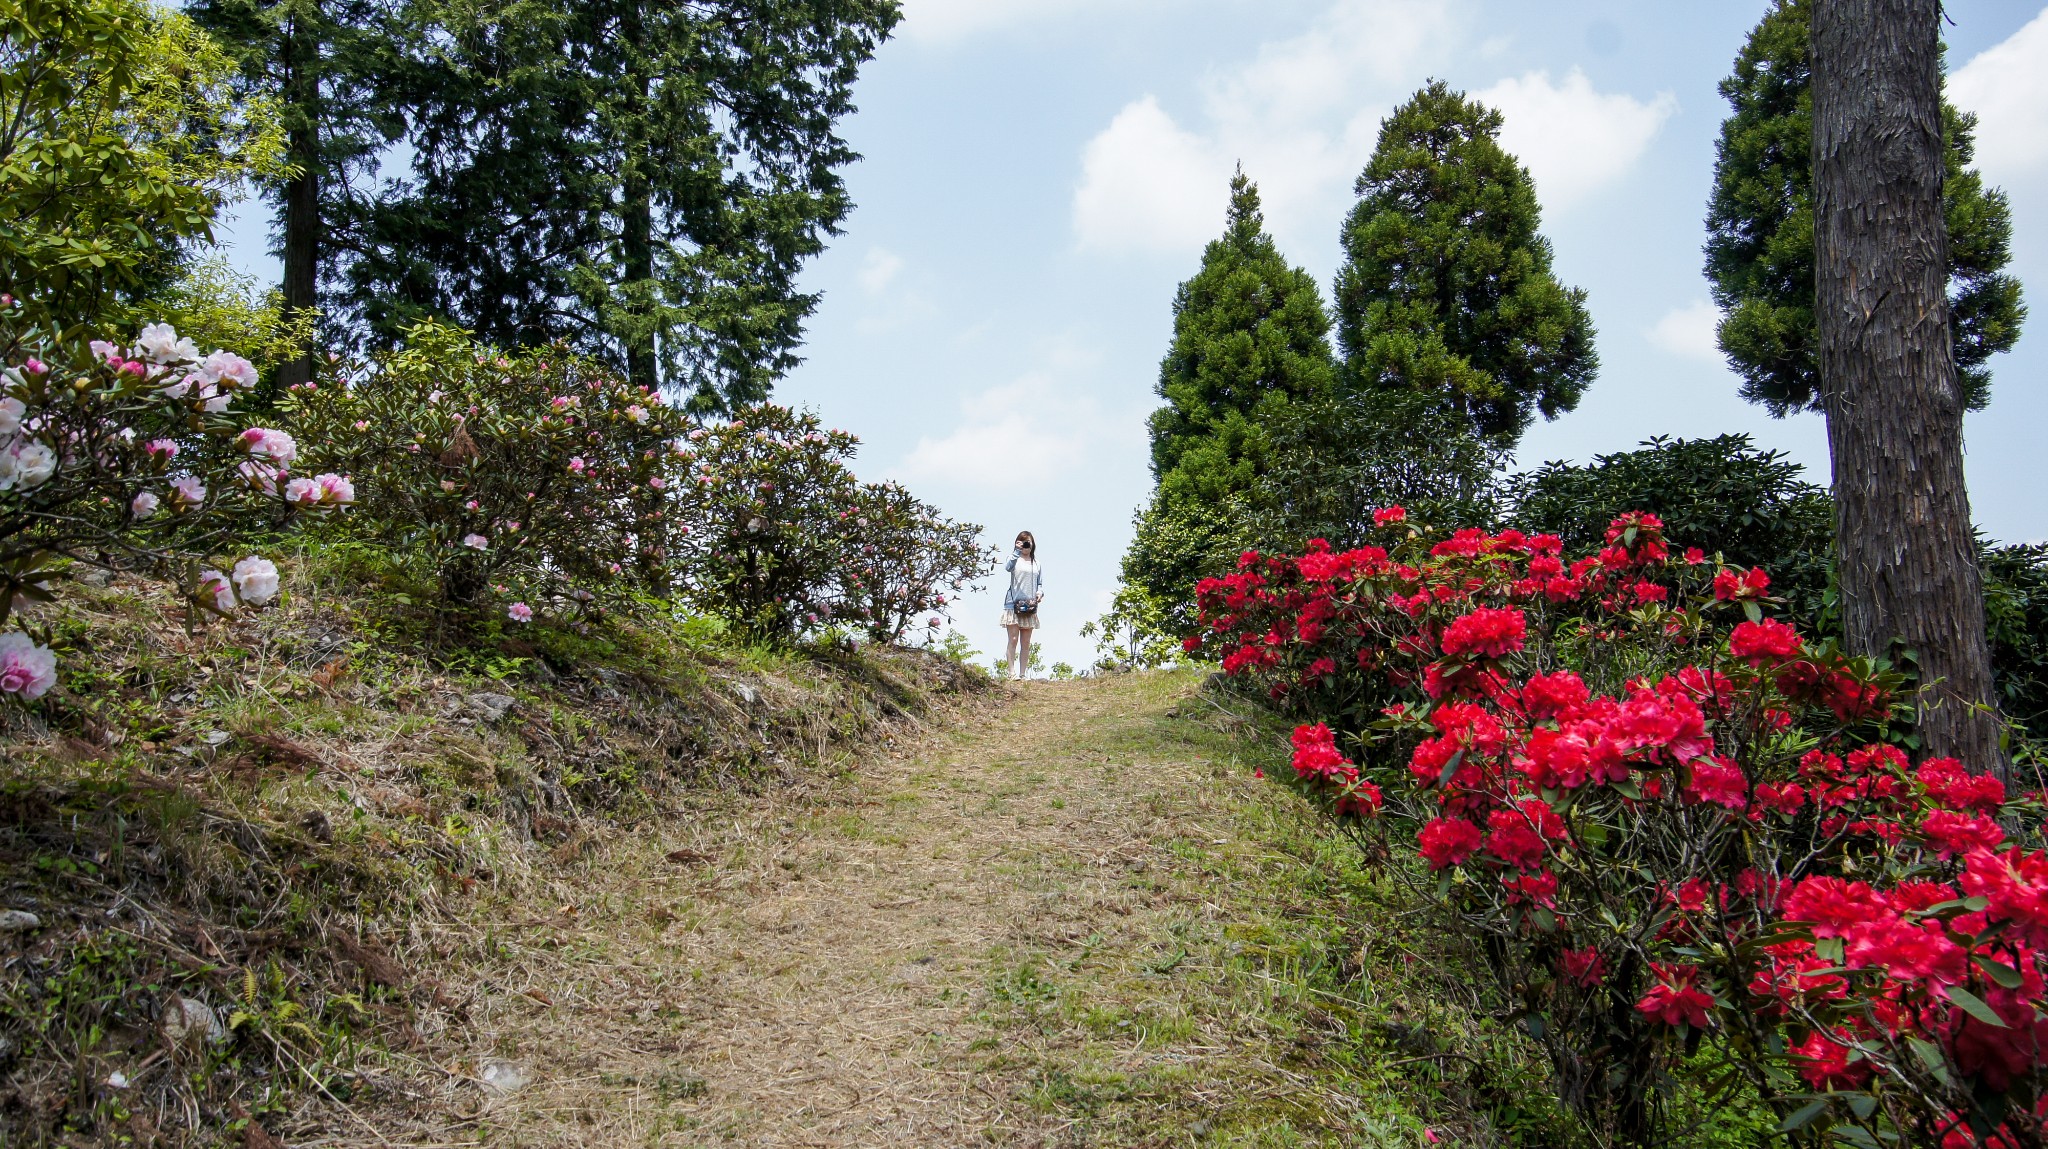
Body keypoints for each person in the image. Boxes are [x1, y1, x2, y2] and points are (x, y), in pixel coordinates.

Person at [1000, 530, 1043, 680]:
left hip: (1029, 606)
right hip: (1013, 604)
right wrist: (1016, 551)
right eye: (1023, 542)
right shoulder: (1014, 558)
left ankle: (1023, 674)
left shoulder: (1036, 563)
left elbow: (1040, 583)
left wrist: (1040, 593)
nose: (1026, 546)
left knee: (1026, 641)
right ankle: (1011, 673)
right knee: (1013, 639)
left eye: (1028, 543)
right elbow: (1007, 567)